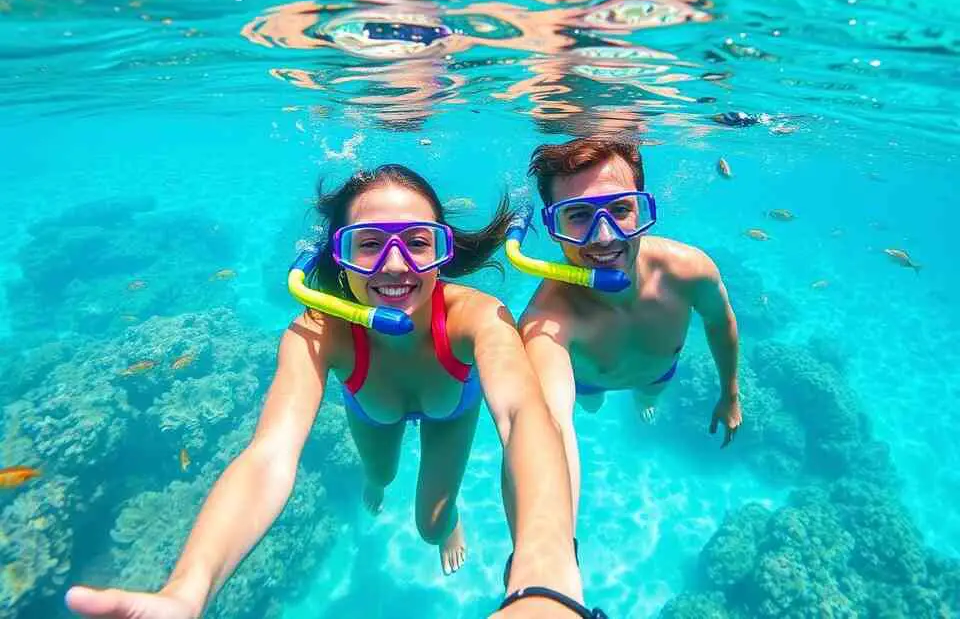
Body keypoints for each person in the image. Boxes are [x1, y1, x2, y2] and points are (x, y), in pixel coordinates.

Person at [65, 164, 582, 619]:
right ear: (340, 257)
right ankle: (381, 486)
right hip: (373, 413)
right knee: (378, 477)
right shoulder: (317, 332)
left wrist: (546, 574)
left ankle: (448, 524)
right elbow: (269, 456)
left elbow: (523, 415)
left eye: (418, 242)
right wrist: (187, 592)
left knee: (429, 524)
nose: (396, 265)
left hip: (451, 414)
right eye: (371, 243)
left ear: (443, 251)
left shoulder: (477, 316)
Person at [518, 136, 742, 527]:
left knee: (650, 392)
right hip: (589, 384)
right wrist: (554, 539)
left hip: (656, 374)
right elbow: (551, 423)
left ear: (641, 209)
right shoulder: (547, 318)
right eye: (579, 215)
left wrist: (730, 394)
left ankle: (643, 399)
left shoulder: (689, 271)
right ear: (554, 227)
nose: (604, 237)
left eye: (620, 209)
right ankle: (599, 401)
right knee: (587, 405)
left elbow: (720, 321)